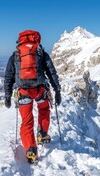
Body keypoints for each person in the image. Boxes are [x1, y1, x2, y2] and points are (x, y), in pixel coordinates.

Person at [4, 30, 61, 163]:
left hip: (23, 91)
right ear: (37, 39)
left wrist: (7, 95)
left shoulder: (16, 55)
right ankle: (42, 133)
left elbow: (8, 77)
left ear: (20, 40)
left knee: (27, 120)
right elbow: (51, 72)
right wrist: (57, 90)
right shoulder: (41, 53)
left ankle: (31, 150)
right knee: (44, 110)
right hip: (40, 90)